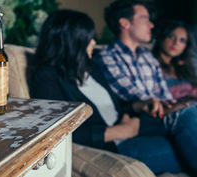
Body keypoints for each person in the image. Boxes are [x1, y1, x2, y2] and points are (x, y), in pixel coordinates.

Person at [31, 9, 197, 174]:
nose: (94, 42)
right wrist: (121, 131)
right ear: (72, 41)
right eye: (89, 38)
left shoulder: (91, 68)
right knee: (186, 145)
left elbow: (116, 104)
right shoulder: (47, 76)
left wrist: (139, 106)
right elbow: (55, 131)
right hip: (116, 144)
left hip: (134, 126)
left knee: (188, 113)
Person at [152, 20, 197, 101]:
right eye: (171, 36)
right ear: (162, 37)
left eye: (182, 40)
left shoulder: (184, 66)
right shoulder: (151, 65)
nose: (176, 43)